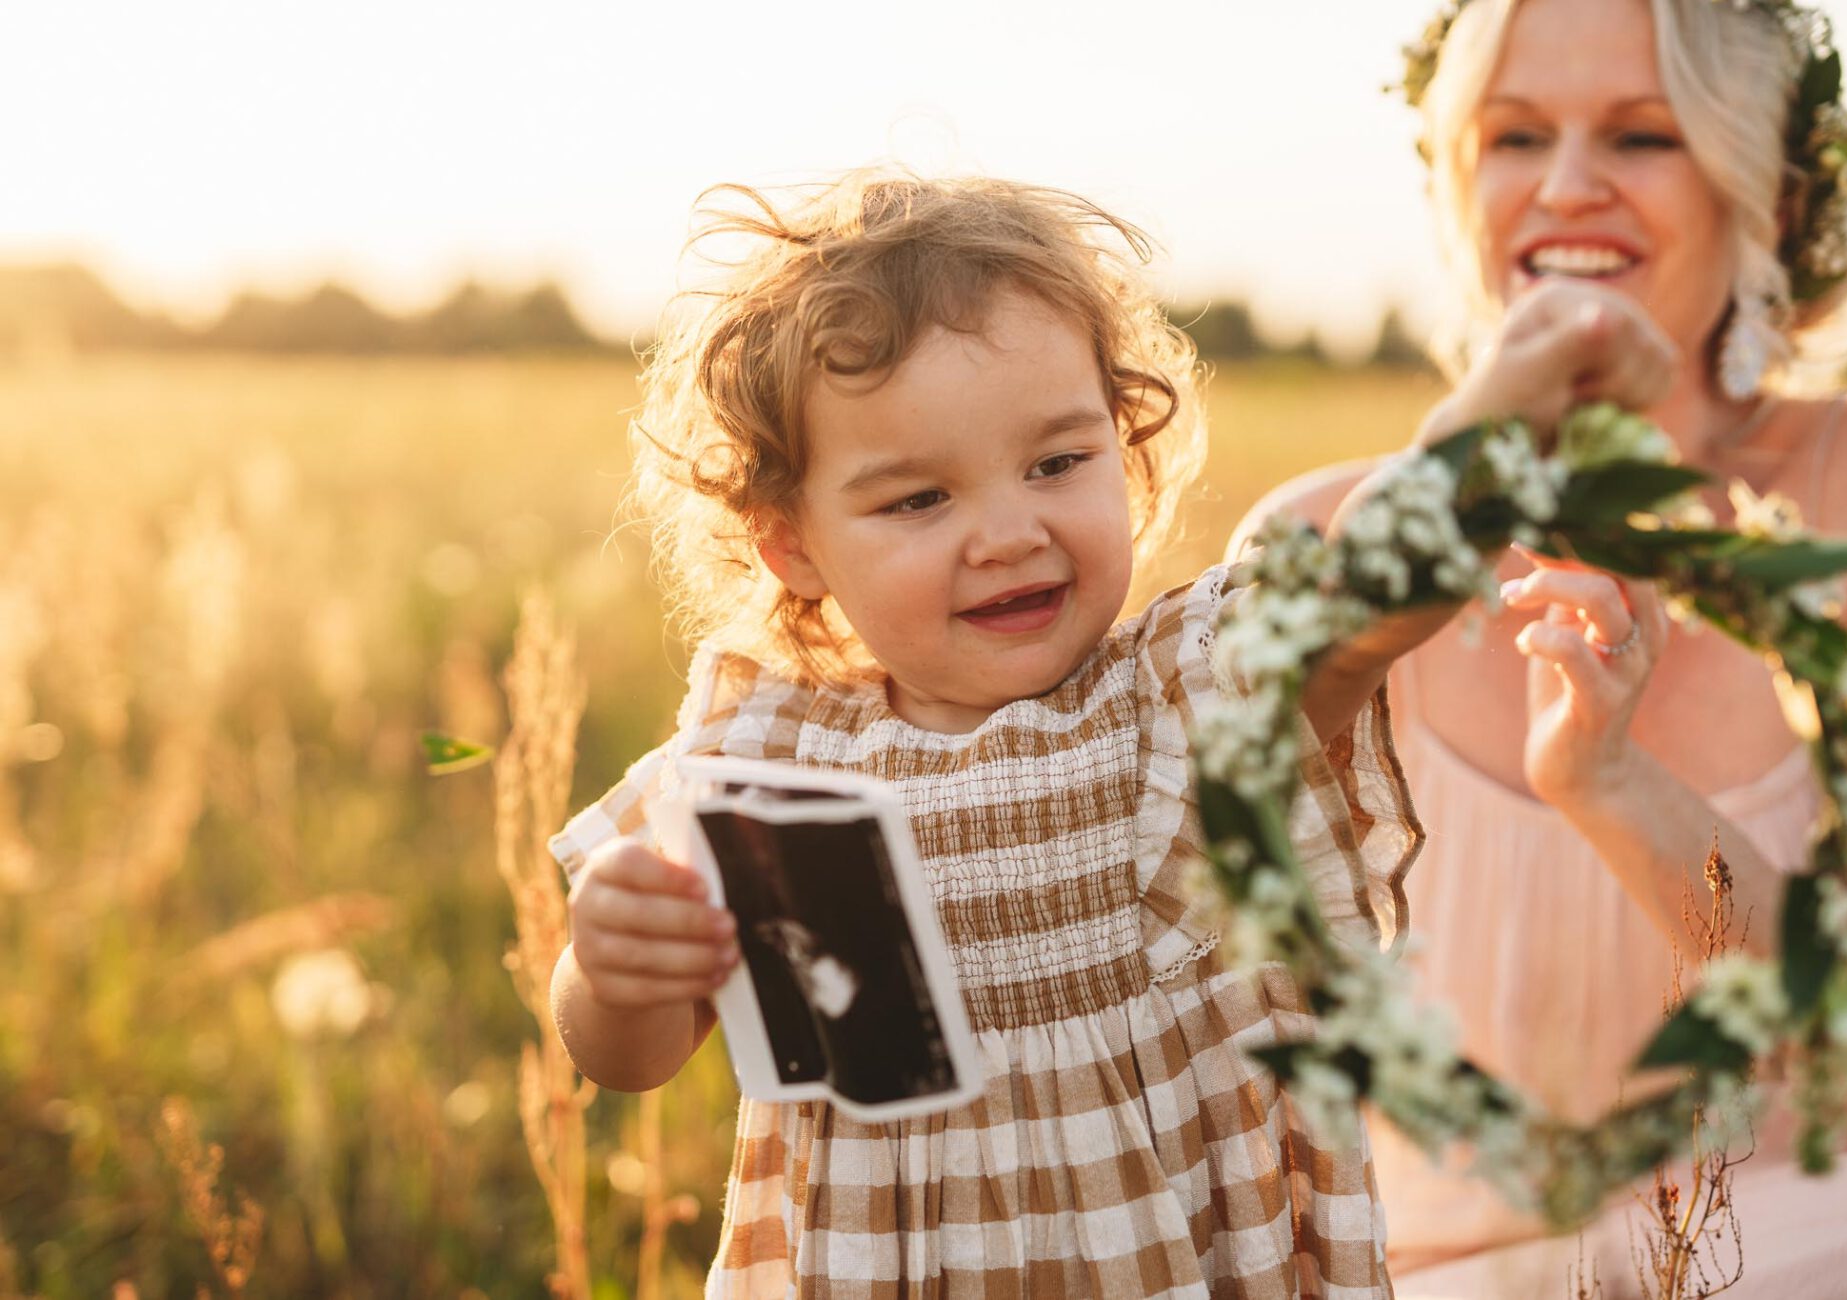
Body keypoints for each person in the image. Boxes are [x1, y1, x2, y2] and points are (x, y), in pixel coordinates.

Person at [544, 170, 1672, 1296]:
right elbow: (627, 1057)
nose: (1007, 532)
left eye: (1057, 462)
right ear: (791, 543)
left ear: (1124, 450)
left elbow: (1364, 598)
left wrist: (1501, 416)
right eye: (918, 500)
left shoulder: (1170, 711)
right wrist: (617, 965)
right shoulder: (761, 760)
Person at [1235, 0, 1847, 1292]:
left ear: (1770, 191)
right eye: (1513, 137)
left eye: (1641, 135)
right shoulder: (1313, 540)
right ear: (1458, 180)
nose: (1566, 188)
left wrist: (1614, 792)